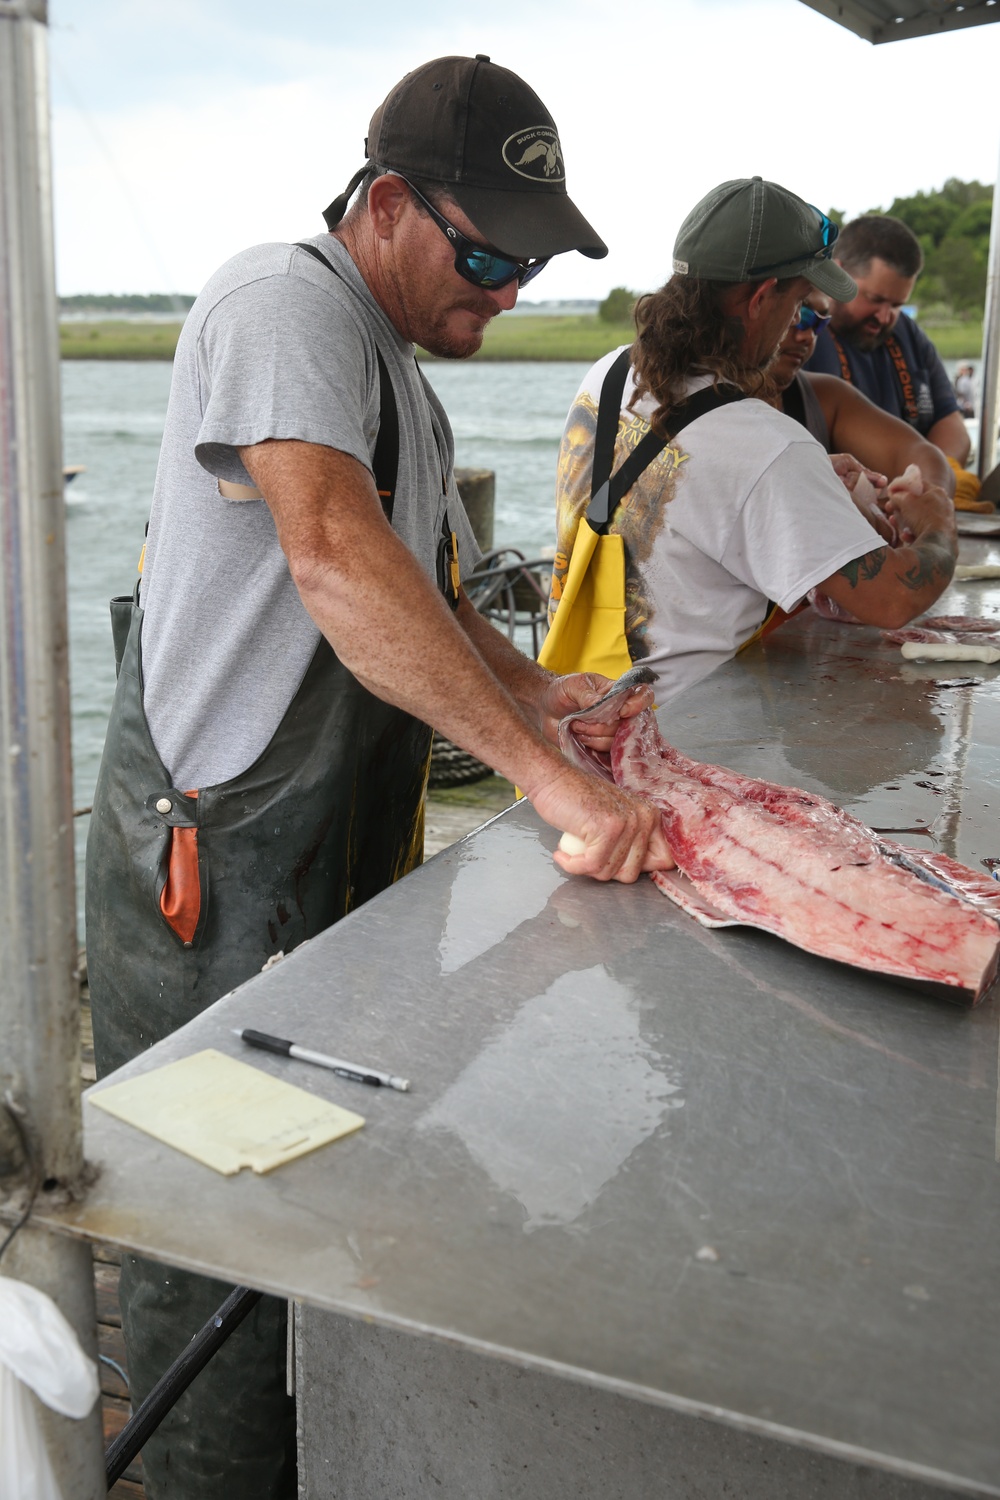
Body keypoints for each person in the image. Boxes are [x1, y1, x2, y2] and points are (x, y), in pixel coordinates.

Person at [85, 55, 672, 1499]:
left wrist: (549, 694)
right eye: (485, 254)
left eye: (529, 264)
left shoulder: (406, 381)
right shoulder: (281, 301)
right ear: (390, 203)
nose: (509, 292)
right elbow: (335, 557)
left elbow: (432, 591)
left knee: (322, 1204)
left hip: (329, 877)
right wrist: (551, 782)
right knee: (210, 1248)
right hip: (213, 876)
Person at [547, 177, 957, 703]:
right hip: (675, 739)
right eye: (800, 303)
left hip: (578, 709)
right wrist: (938, 526)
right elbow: (893, 600)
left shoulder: (608, 375)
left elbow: (688, 496)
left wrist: (803, 483)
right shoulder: (765, 445)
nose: (800, 324)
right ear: (763, 298)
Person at [802, 214, 987, 509]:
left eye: (897, 305)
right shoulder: (801, 337)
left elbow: (949, 421)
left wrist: (937, 479)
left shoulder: (907, 333)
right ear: (837, 275)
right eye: (875, 299)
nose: (885, 317)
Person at [771, 288, 955, 497]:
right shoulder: (726, 408)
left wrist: (930, 501)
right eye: (802, 317)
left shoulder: (826, 397)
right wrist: (815, 474)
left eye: (819, 323)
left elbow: (922, 456)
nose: (807, 336)